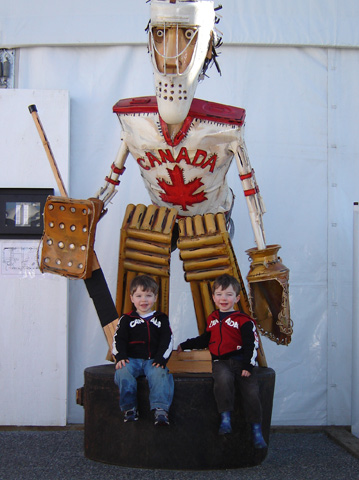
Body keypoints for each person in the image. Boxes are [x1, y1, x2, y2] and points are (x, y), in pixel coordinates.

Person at [177, 274, 267, 448]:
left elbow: (251, 344)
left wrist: (248, 365)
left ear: (237, 298)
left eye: (228, 294)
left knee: (251, 393)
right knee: (223, 381)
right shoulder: (212, 319)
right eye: (219, 294)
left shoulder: (244, 321)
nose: (223, 298)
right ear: (213, 297)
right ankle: (225, 419)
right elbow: (205, 339)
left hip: (242, 361)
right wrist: (186, 344)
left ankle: (256, 430)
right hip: (221, 362)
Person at [112, 274, 174, 426]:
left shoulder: (161, 318)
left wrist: (161, 358)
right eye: (139, 296)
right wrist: (120, 356)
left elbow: (168, 339)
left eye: (148, 295)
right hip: (131, 359)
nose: (144, 300)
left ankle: (160, 409)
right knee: (122, 372)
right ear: (132, 298)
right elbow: (118, 339)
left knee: (160, 374)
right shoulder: (126, 319)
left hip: (153, 360)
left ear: (155, 297)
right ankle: (129, 408)